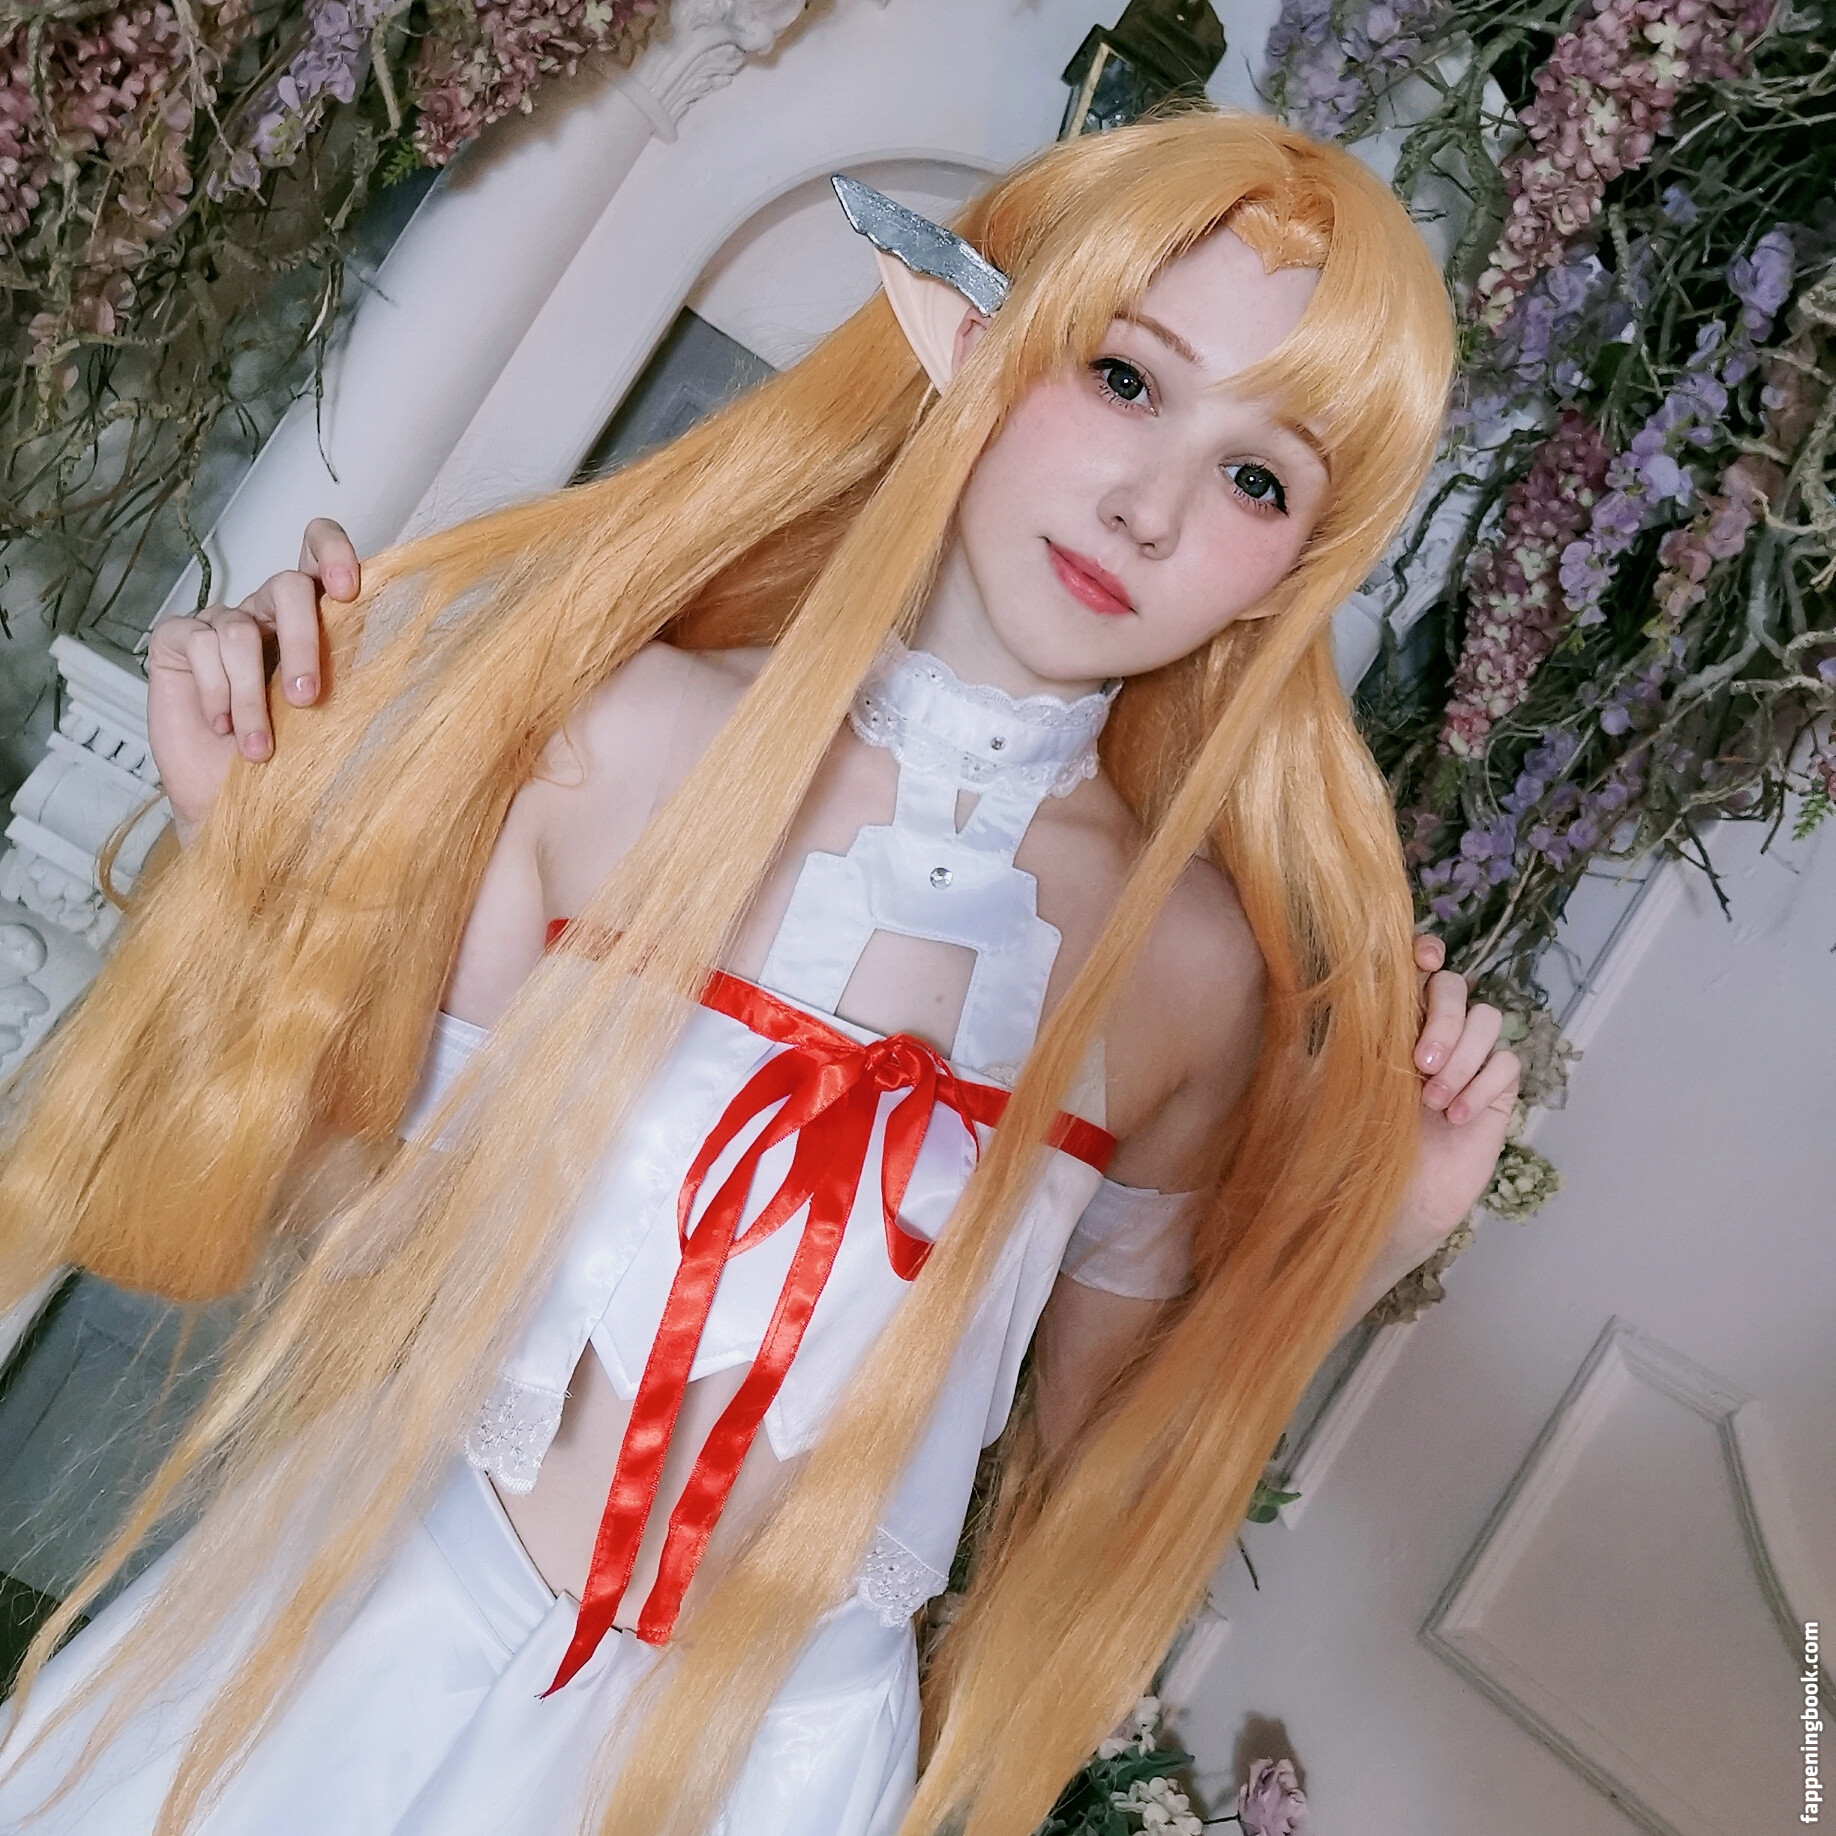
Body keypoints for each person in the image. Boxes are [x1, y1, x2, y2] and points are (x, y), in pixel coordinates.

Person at [0, 111, 1518, 1836]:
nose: (1149, 507)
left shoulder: (1193, 977)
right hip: (367, 1651)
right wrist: (255, 860)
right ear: (970, 337)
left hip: (773, 1778)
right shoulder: (623, 734)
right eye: (1122, 377)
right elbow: (365, 1238)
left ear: (1294, 574)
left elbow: (1099, 1477)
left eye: (1260, 479)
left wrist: (1372, 1235)